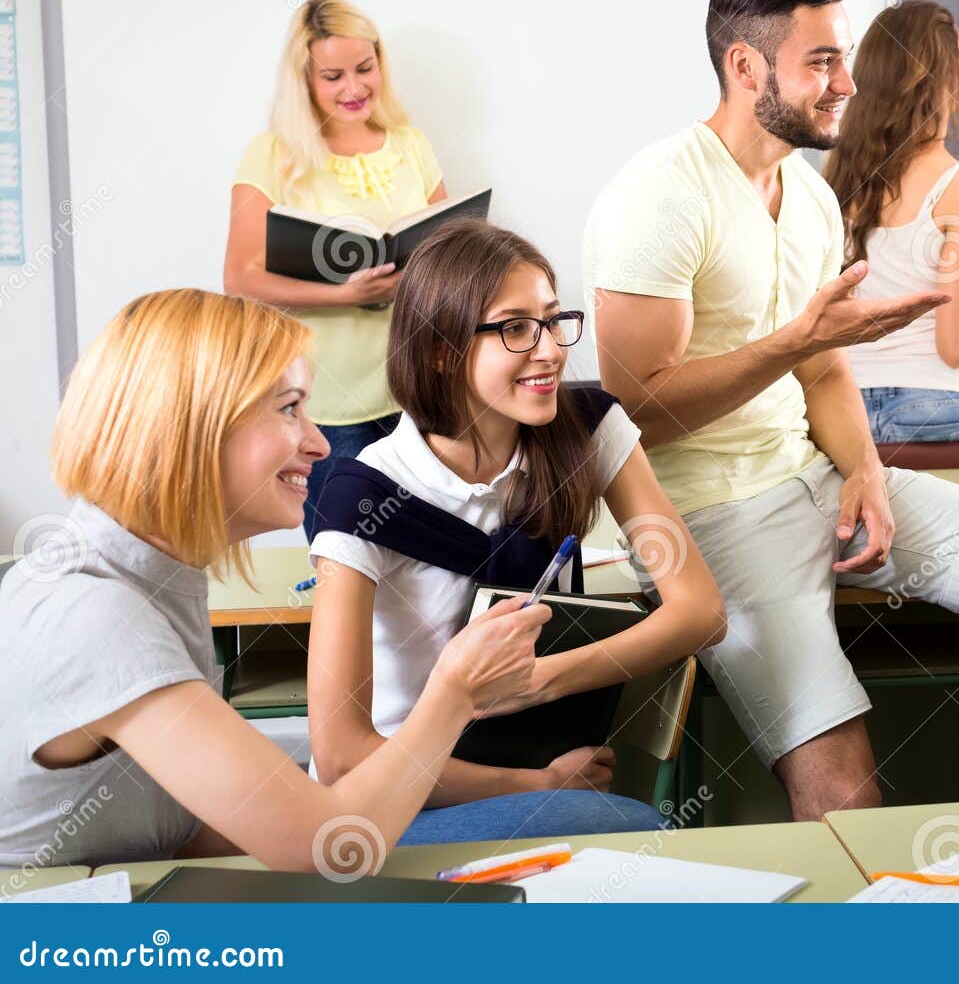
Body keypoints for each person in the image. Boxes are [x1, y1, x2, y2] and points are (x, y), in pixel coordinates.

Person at [585, 0, 959, 819]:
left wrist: (863, 469)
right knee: (847, 797)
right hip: (705, 515)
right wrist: (798, 340)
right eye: (822, 60)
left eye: (845, 57)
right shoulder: (661, 194)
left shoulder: (809, 193)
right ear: (746, 67)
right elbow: (640, 408)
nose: (848, 82)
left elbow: (824, 365)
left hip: (815, 479)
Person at [0, 289, 554, 871]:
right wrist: (454, 693)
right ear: (192, 424)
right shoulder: (99, 615)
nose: (318, 443)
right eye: (289, 408)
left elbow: (185, 828)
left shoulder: (147, 579)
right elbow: (330, 852)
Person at [307, 220, 721, 843]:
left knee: (629, 838)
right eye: (515, 328)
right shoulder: (363, 497)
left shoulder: (588, 429)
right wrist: (533, 786)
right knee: (633, 833)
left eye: (554, 321)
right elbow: (341, 755)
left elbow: (700, 611)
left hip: (541, 762)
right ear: (442, 350)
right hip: (393, 798)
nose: (551, 348)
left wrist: (538, 682)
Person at [224, 0, 449, 535]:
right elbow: (239, 279)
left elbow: (450, 250)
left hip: (415, 387)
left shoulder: (411, 145)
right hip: (326, 402)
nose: (353, 88)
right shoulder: (273, 153)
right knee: (342, 552)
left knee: (429, 561)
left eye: (365, 69)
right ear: (304, 79)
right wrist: (345, 295)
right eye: (333, 76)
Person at [823, 0, 959, 443]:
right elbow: (956, 346)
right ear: (942, 73)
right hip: (944, 407)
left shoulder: (838, 178)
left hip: (848, 410)